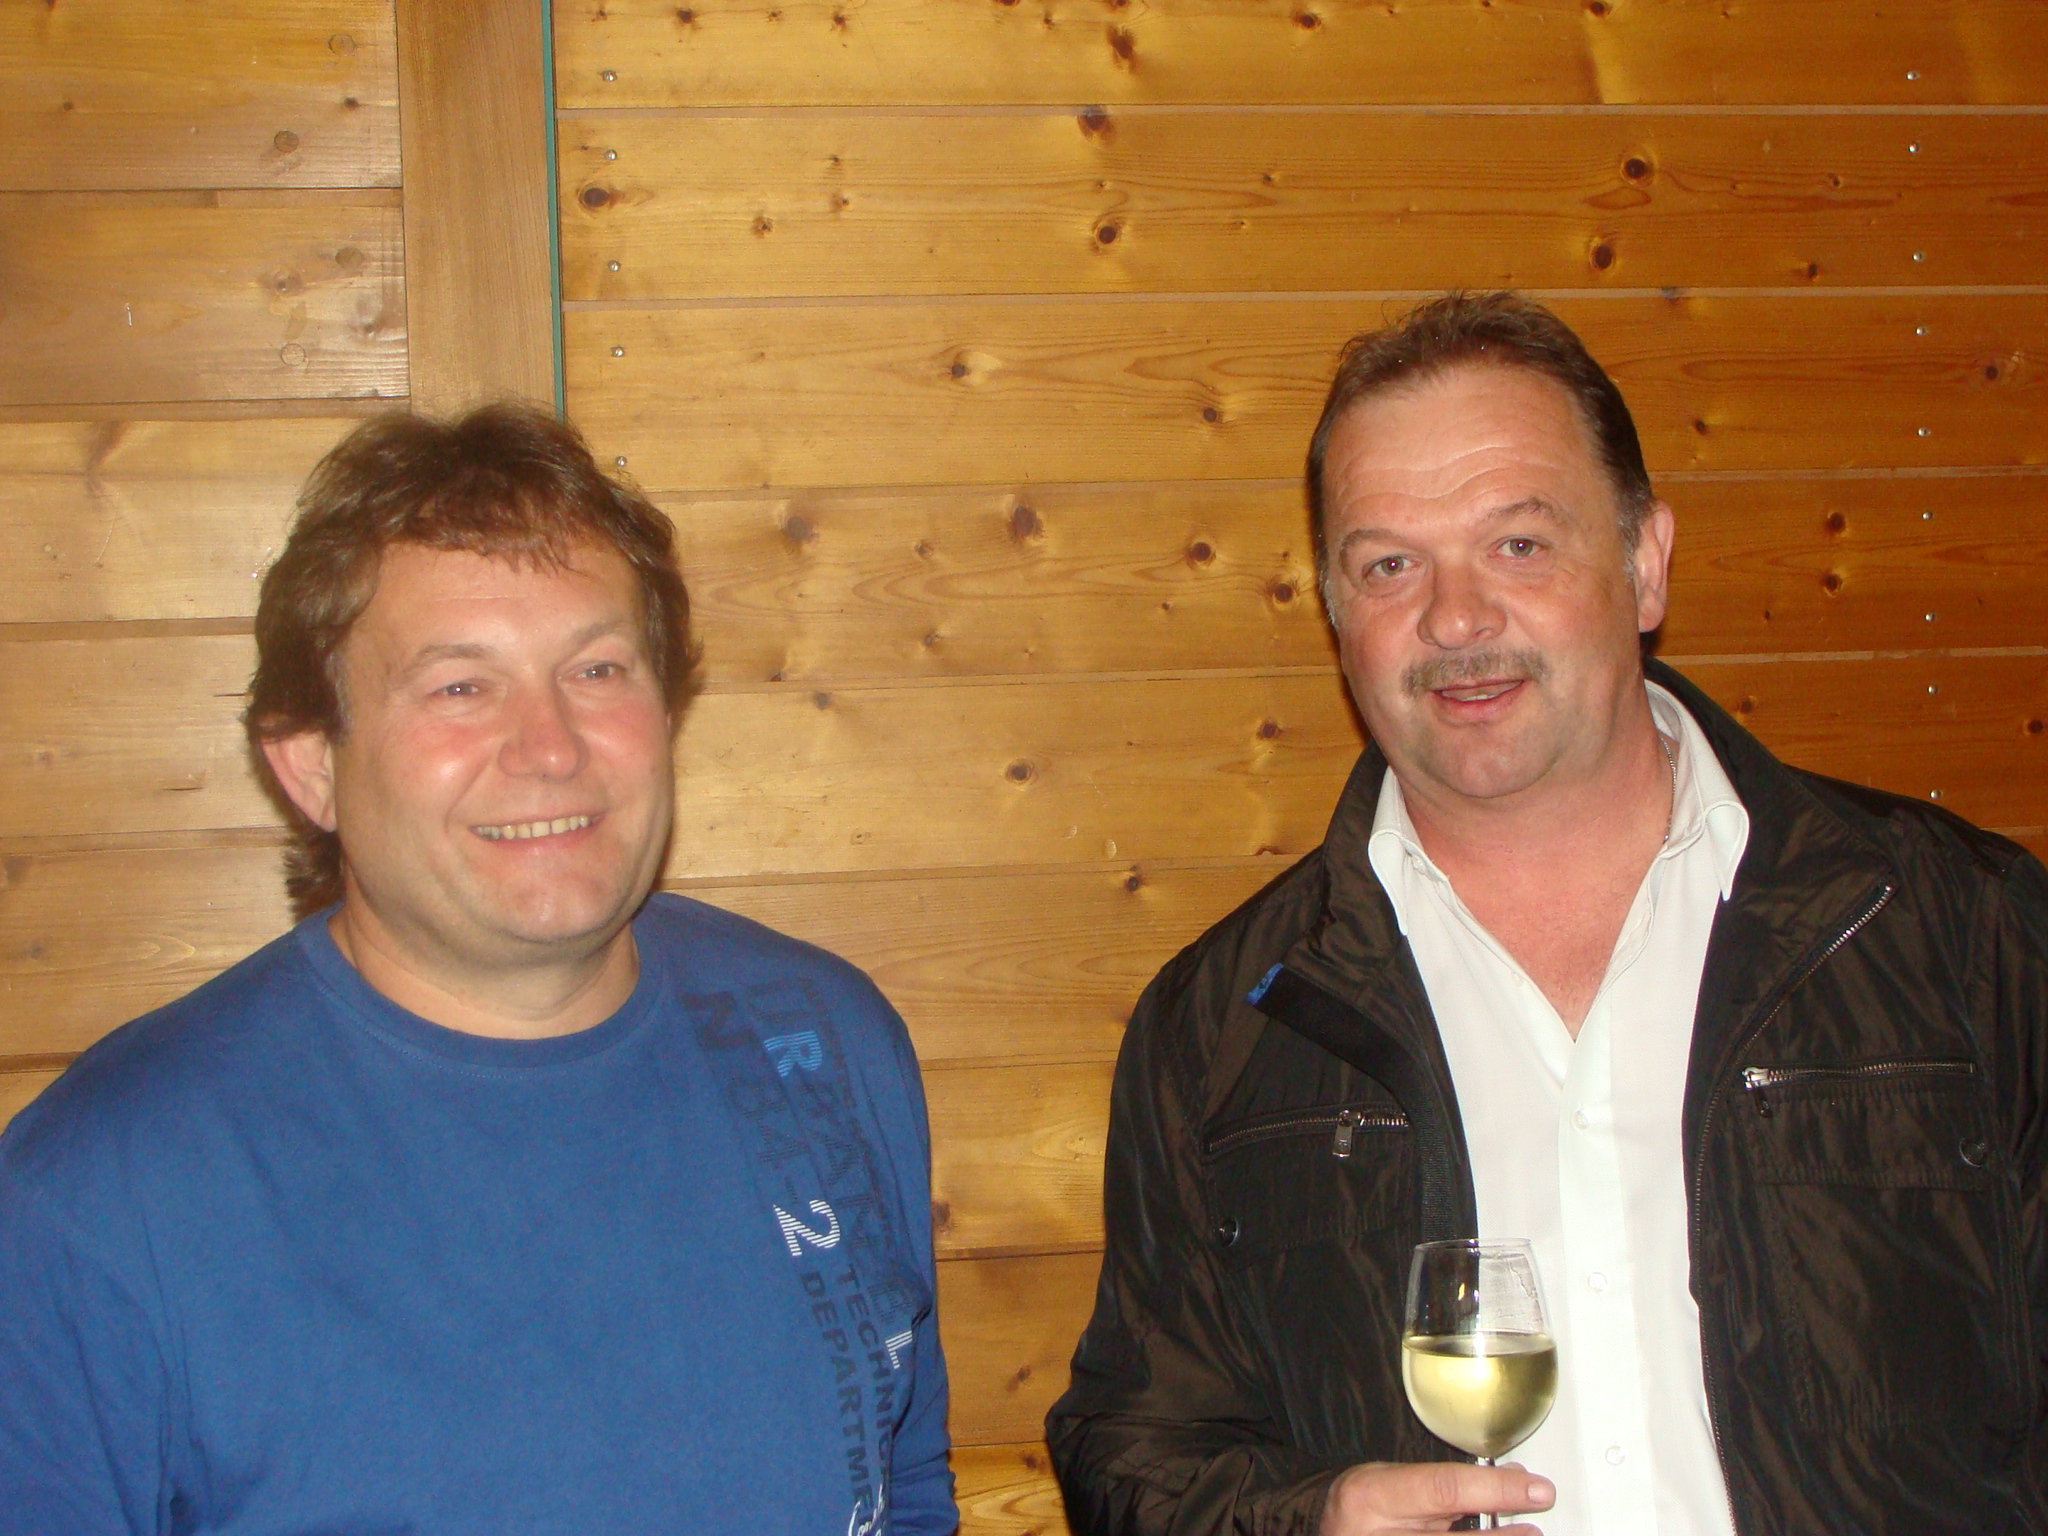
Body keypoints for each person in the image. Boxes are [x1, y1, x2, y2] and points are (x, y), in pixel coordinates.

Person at [1046, 292, 2048, 1534]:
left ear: (1643, 564)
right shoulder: (1223, 1024)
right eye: (1388, 565)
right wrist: (1307, 1520)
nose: (1453, 619)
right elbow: (1137, 1448)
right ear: (1333, 613)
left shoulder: (1957, 930)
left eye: (1516, 544)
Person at [0, 404, 956, 1535]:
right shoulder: (99, 1193)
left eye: (596, 668)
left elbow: (906, 1489)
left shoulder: (821, 1041)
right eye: (460, 685)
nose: (550, 747)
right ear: (310, 765)